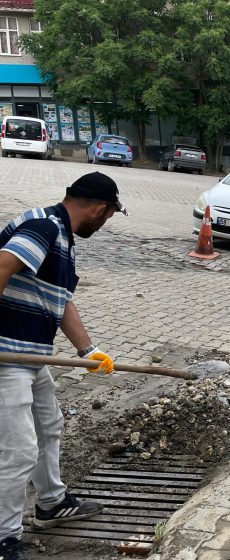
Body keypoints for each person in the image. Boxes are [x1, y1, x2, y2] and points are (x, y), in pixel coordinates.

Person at [0, 172, 126, 560]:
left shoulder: (62, 239)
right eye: (108, 217)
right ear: (101, 210)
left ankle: (52, 502)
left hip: (33, 356)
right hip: (8, 358)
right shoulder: (44, 227)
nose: (104, 224)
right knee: (18, 450)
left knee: (49, 426)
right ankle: (3, 538)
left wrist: (88, 350)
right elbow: (1, 265)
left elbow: (61, 301)